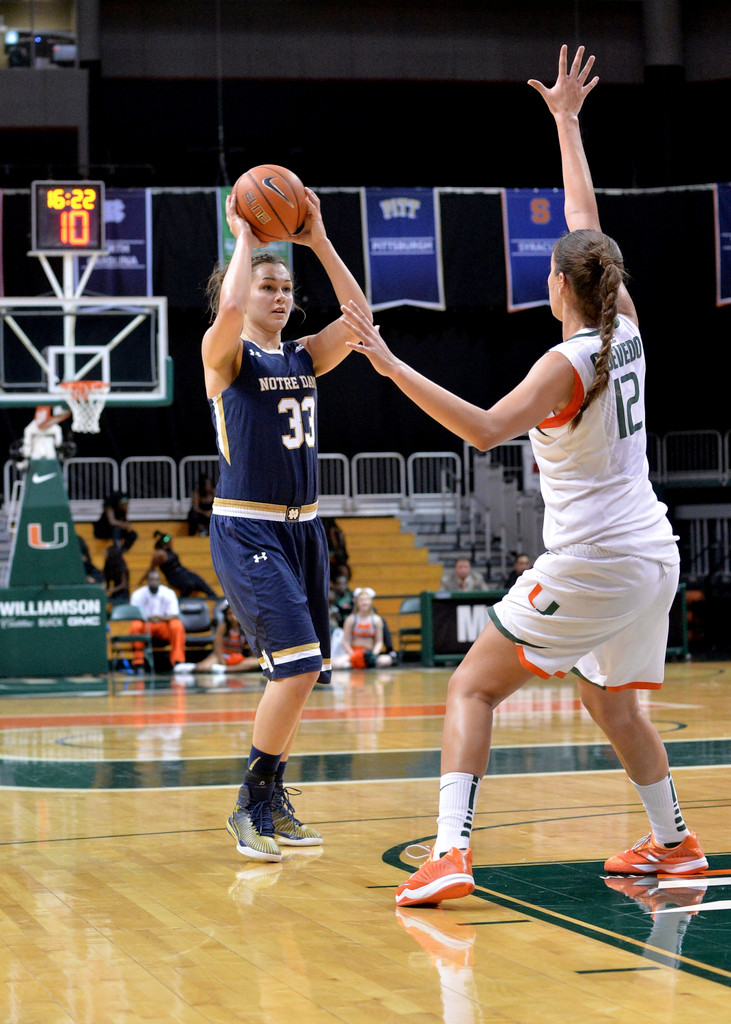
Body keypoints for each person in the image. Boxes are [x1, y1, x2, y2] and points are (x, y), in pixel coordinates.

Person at [340, 45, 707, 906]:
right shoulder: (625, 328)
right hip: (651, 556)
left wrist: (389, 366)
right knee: (612, 706)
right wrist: (566, 124)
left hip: (593, 560)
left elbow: (480, 430)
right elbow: (586, 224)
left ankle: (449, 853)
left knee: (471, 686)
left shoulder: (560, 364)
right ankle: (676, 846)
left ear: (556, 286)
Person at [203, 184, 371, 862]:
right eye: (264, 287)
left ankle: (271, 801)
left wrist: (318, 240)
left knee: (301, 673)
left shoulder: (302, 355)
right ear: (242, 292)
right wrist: (245, 238)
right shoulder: (226, 356)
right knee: (297, 668)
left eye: (284, 288)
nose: (277, 296)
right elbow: (228, 311)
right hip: (248, 527)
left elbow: (358, 321)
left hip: (304, 530)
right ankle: (249, 804)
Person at [128, 569, 193, 675]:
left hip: (163, 624)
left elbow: (174, 614)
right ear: (147, 581)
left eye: (156, 579)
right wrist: (150, 618)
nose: (154, 582)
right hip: (146, 624)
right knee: (135, 625)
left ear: (160, 581)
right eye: (151, 579)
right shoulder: (138, 594)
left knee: (177, 625)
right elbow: (134, 614)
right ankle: (138, 662)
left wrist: (159, 618)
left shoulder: (168, 593)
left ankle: (178, 661)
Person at [333, 587, 399, 669]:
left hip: (369, 652)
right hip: (354, 652)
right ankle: (352, 664)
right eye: (362, 600)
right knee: (335, 664)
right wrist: (352, 653)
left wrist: (374, 654)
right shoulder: (351, 619)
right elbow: (345, 641)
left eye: (367, 600)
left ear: (371, 601)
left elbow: (379, 642)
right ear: (357, 602)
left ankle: (366, 663)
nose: (365, 603)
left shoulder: (376, 620)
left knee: (387, 660)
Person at [193, 601, 260, 675]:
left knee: (257, 662)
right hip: (223, 655)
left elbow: (252, 646)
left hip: (237, 656)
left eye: (235, 613)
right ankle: (228, 668)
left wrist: (254, 657)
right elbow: (217, 646)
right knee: (202, 667)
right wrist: (222, 661)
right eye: (229, 614)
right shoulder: (223, 626)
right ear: (226, 615)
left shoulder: (245, 627)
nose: (233, 616)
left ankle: (225, 669)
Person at [146, 530, 219, 598]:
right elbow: (151, 568)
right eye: (168, 542)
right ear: (163, 544)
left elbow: (168, 537)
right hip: (173, 576)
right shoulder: (159, 555)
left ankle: (215, 598)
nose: (170, 542)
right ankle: (180, 602)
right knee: (189, 584)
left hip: (183, 572)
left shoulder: (170, 550)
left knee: (199, 581)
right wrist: (142, 581)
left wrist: (163, 536)